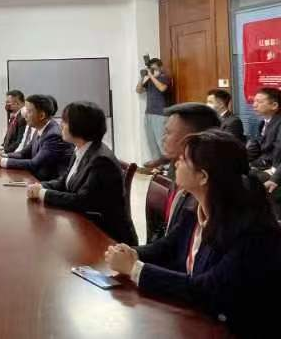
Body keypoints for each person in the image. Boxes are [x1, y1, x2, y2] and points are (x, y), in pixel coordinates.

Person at [105, 130, 281, 338]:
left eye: (183, 159)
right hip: (196, 320)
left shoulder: (252, 230)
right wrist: (129, 253)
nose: (176, 163)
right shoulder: (195, 209)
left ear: (203, 176)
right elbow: (167, 247)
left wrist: (135, 269)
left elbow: (207, 289)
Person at [25, 102, 137, 245]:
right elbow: (64, 182)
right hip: (84, 226)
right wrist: (40, 186)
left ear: (80, 126)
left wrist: (43, 193)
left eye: (65, 122)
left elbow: (82, 201)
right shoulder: (80, 149)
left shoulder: (101, 160)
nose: (60, 125)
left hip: (106, 237)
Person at [152, 103, 221, 242]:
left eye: (168, 133)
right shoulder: (176, 168)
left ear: (192, 138)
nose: (163, 139)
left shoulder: (205, 189)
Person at [0, 94, 74, 181]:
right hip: (36, 180)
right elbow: (23, 154)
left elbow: (34, 164)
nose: (25, 115)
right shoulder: (39, 129)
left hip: (50, 184)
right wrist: (2, 156)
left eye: (29, 111)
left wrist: (1, 161)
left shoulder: (53, 135)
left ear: (41, 116)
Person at [136, 58, 172, 165]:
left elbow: (162, 88)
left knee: (162, 141)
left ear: (160, 68)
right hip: (148, 113)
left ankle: (168, 167)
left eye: (154, 68)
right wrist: (143, 77)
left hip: (160, 114)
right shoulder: (149, 80)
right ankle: (158, 165)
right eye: (151, 69)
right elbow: (138, 90)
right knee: (151, 142)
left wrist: (152, 76)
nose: (152, 71)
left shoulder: (164, 77)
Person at [2, 89, 27, 154]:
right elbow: (8, 138)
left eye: (8, 102)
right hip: (8, 152)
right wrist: (2, 149)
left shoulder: (23, 118)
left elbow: (19, 142)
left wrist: (5, 152)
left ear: (17, 103)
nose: (6, 105)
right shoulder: (14, 117)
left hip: (14, 154)